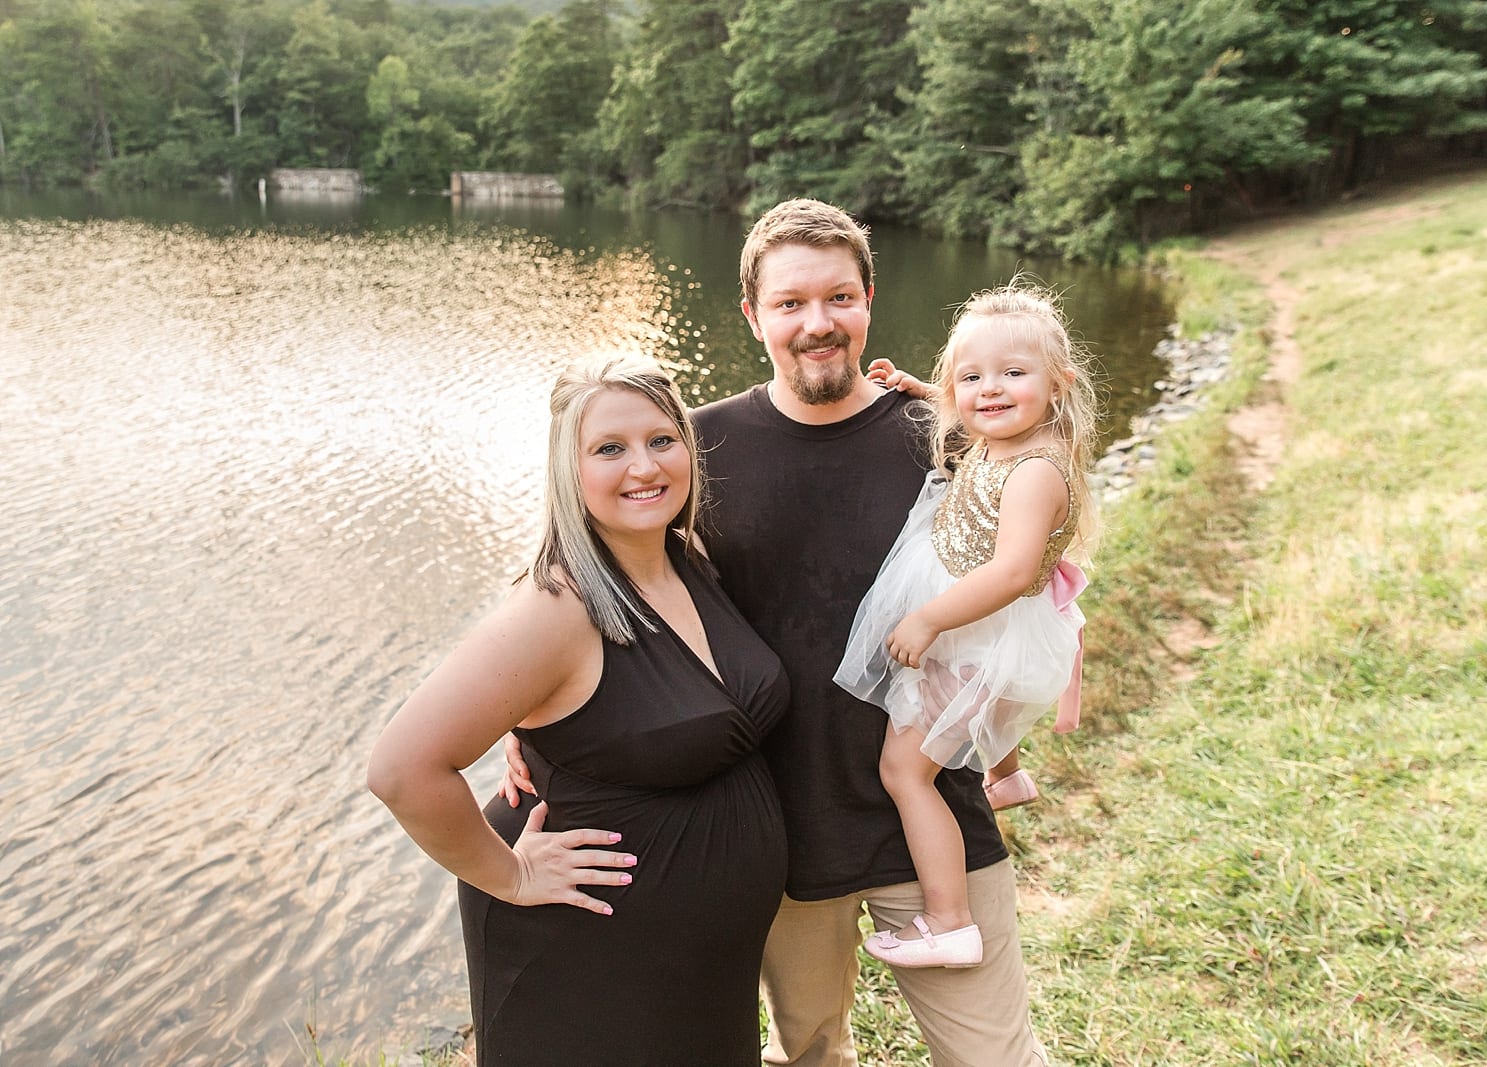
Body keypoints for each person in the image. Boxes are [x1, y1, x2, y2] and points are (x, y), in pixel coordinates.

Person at [505, 199, 1051, 1065]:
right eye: (791, 303)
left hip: (933, 809)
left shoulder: (949, 435)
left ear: (870, 298)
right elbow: (597, 567)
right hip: (778, 834)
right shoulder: (697, 448)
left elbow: (1046, 514)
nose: (818, 323)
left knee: (995, 1055)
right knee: (809, 1054)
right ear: (753, 315)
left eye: (840, 297)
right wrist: (523, 713)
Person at [369, 355, 789, 1066]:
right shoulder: (558, 606)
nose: (643, 466)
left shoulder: (686, 556)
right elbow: (402, 768)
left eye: (662, 439)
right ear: (570, 469)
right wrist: (510, 874)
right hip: (592, 955)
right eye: (609, 448)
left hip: (693, 967)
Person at [833, 283, 1097, 969]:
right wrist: (922, 389)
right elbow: (972, 408)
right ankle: (1005, 775)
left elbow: (1011, 572)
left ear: (1058, 383)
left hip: (982, 632)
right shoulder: (1007, 433)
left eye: (1013, 374)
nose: (989, 390)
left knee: (904, 771)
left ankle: (949, 921)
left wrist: (926, 617)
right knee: (941, 737)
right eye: (971, 377)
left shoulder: (1037, 469)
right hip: (980, 625)